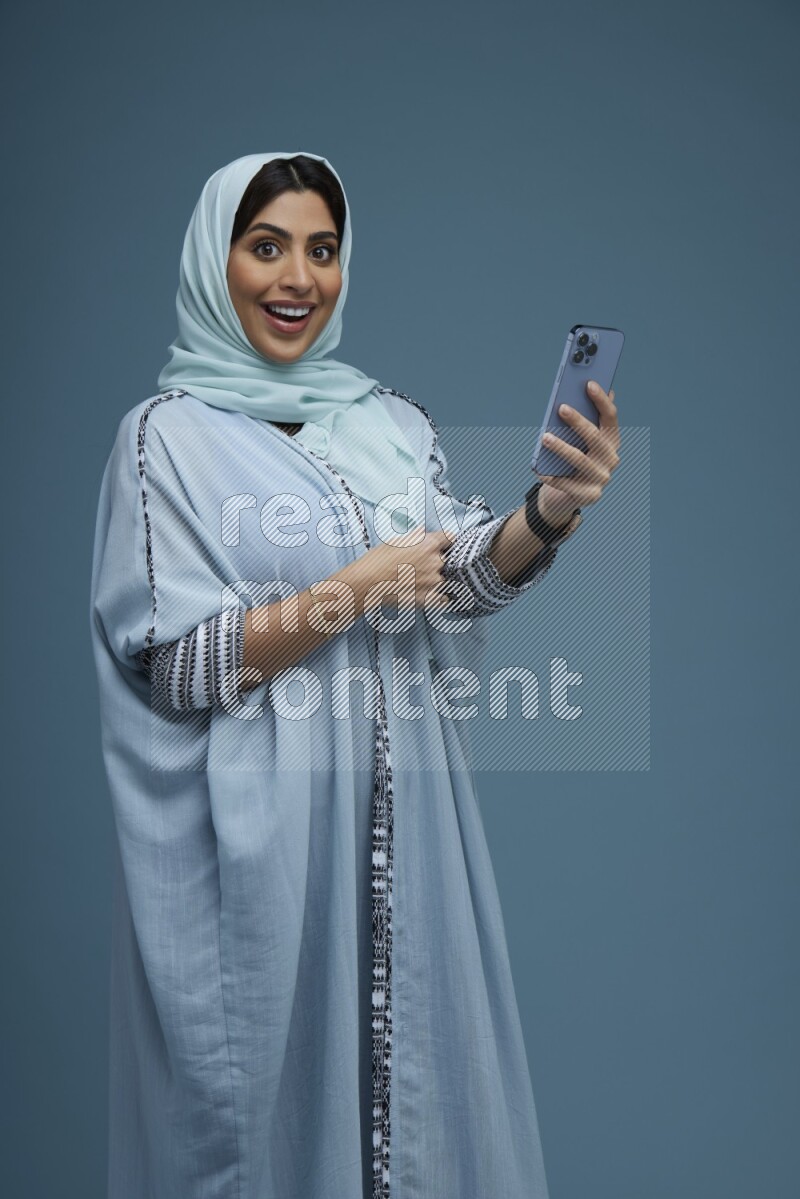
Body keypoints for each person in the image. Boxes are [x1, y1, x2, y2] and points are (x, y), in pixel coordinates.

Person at [90, 151, 620, 1199]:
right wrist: (354, 586)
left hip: (407, 843)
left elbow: (456, 577)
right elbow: (175, 664)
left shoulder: (386, 423)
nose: (298, 278)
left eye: (321, 250)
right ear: (215, 261)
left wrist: (549, 509)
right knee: (260, 1133)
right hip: (264, 856)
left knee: (418, 1121)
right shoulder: (165, 442)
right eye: (266, 246)